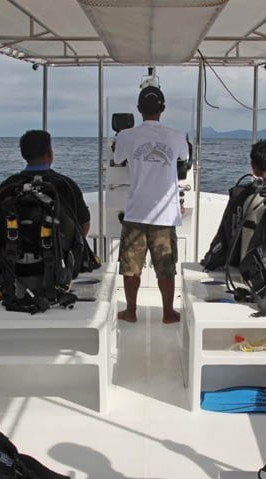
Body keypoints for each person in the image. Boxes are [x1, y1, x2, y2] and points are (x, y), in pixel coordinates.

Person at [113, 85, 189, 324]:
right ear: (163, 109)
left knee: (130, 267)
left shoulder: (125, 136)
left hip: (136, 212)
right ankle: (168, 313)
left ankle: (131, 311)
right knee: (166, 267)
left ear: (138, 110)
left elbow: (117, 158)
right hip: (165, 216)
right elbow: (184, 158)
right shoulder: (177, 136)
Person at [0, 129, 91, 238]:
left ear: (23, 154)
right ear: (49, 152)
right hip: (59, 254)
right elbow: (84, 223)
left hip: (13, 253)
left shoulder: (9, 185)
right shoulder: (65, 185)